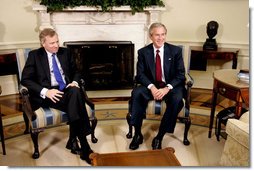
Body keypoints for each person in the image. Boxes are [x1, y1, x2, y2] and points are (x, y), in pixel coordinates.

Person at [21, 28, 93, 164]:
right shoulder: (34, 55)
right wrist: (45, 91)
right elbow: (25, 79)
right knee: (77, 100)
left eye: (57, 41)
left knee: (75, 92)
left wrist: (74, 82)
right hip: (48, 95)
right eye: (52, 43)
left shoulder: (65, 52)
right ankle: (82, 145)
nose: (56, 45)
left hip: (66, 89)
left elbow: (76, 71)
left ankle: (77, 142)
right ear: (43, 43)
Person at [128, 22, 186, 150]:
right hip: (152, 86)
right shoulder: (143, 52)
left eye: (163, 34)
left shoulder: (175, 51)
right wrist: (152, 88)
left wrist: (167, 88)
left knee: (177, 100)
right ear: (151, 36)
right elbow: (141, 75)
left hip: (170, 87)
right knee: (137, 93)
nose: (160, 38)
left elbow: (181, 75)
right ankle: (137, 134)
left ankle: (159, 136)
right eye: (157, 35)